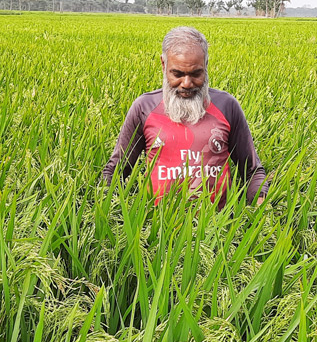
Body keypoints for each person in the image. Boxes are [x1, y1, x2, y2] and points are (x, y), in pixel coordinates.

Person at [101, 27, 268, 207]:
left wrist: (261, 209)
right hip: (158, 228)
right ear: (164, 65)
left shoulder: (227, 106)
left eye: (196, 74)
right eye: (177, 74)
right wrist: (104, 213)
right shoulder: (145, 107)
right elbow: (117, 170)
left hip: (218, 227)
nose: (187, 84)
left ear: (206, 64)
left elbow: (251, 170)